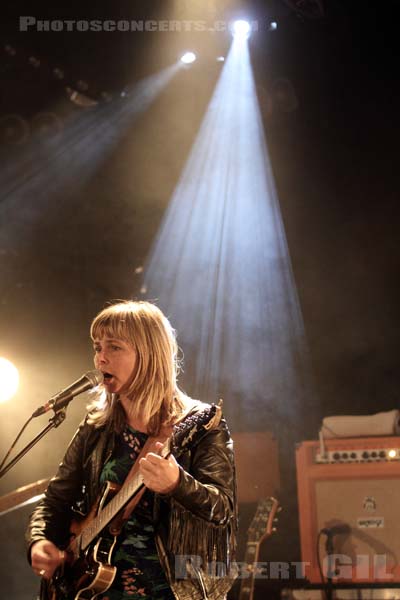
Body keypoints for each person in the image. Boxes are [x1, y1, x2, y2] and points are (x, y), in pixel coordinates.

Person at [26, 300, 237, 600]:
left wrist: (177, 484)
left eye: (114, 347)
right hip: (93, 590)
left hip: (168, 591)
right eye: (98, 347)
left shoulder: (201, 424)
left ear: (150, 354)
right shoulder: (96, 427)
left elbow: (223, 509)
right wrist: (40, 541)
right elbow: (55, 500)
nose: (100, 359)